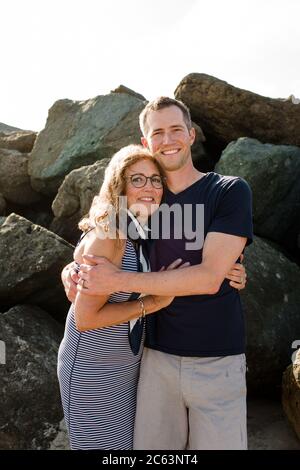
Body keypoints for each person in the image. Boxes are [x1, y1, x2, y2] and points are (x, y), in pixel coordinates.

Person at [71, 97, 253, 450]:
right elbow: (96, 239)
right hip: (154, 359)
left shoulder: (228, 191)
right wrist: (73, 269)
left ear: (191, 134)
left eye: (175, 130)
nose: (167, 140)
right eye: (158, 133)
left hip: (218, 359)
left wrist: (120, 281)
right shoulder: (146, 196)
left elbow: (208, 277)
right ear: (146, 143)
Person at [57, 144, 188, 450]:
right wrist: (151, 304)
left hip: (124, 365)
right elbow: (86, 318)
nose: (149, 187)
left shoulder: (139, 230)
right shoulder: (110, 235)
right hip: (92, 366)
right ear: (119, 185)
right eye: (137, 179)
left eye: (156, 179)